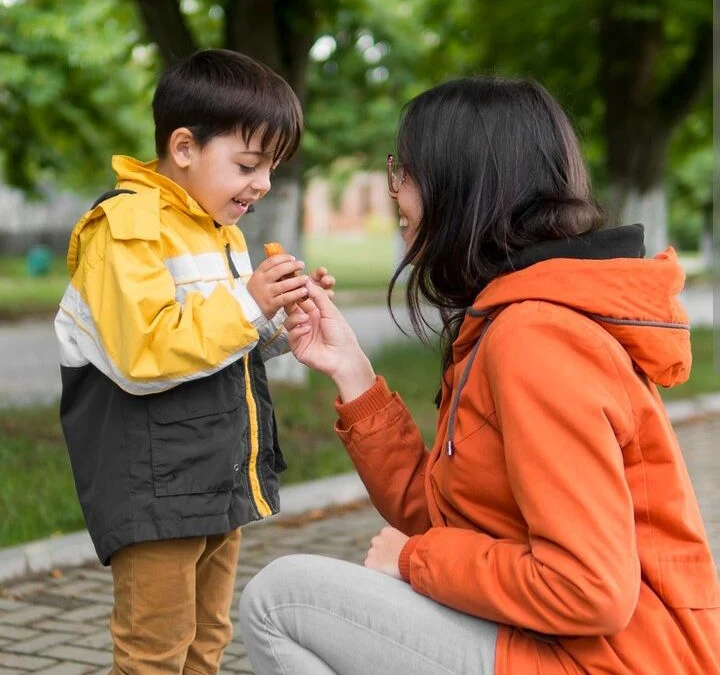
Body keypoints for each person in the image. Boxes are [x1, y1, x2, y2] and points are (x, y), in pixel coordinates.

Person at [238, 76, 720, 675]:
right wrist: (351, 370)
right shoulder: (513, 316)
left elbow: (589, 587)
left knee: (281, 599)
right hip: (568, 647)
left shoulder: (537, 338)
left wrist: (418, 561)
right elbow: (446, 512)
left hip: (610, 660)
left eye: (404, 172)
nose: (395, 192)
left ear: (460, 184)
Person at [54, 49, 334, 674]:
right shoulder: (126, 228)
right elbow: (146, 353)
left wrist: (283, 321)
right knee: (154, 651)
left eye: (271, 169)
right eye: (247, 165)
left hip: (215, 474)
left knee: (208, 639)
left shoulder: (219, 232)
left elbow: (220, 343)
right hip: (154, 487)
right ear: (184, 147)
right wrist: (249, 300)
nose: (261, 184)